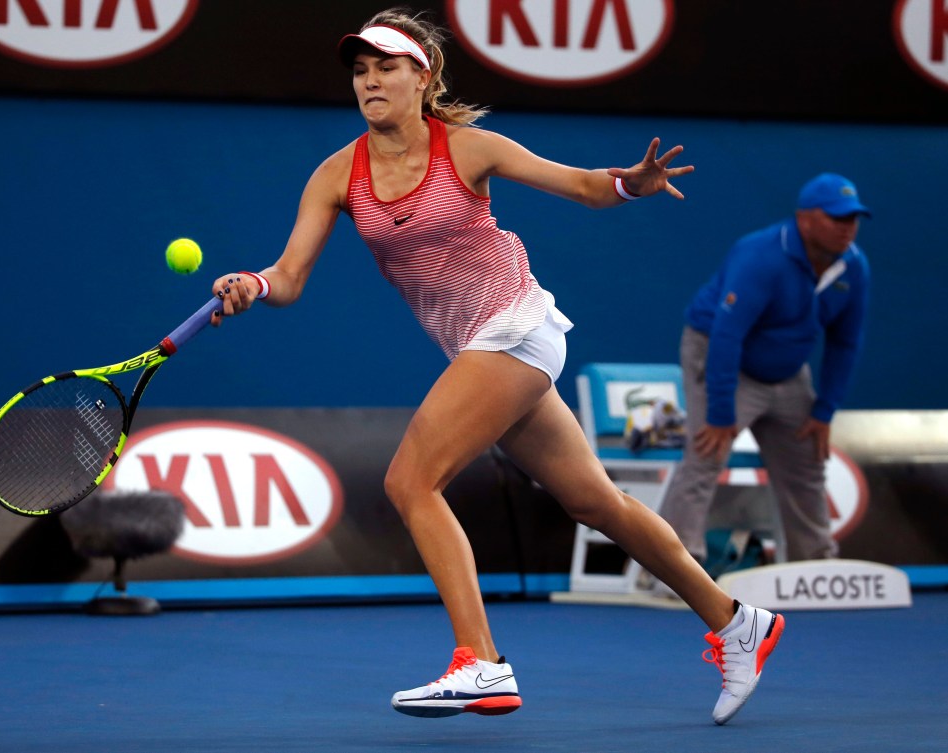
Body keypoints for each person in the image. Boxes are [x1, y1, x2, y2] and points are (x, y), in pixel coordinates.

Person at [208, 8, 783, 725]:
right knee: (596, 503)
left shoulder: (469, 150)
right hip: (482, 350)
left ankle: (477, 659)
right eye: (360, 70)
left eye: (386, 66)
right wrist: (253, 285)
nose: (370, 81)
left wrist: (632, 181)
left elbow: (580, 185)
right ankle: (735, 621)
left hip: (515, 326)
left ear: (423, 77)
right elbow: (289, 277)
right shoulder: (336, 175)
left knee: (410, 480)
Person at [657, 173, 871, 568]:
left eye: (853, 218)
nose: (848, 228)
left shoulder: (854, 268)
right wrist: (721, 413)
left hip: (788, 372)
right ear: (805, 219)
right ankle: (677, 568)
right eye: (837, 217)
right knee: (706, 455)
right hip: (722, 358)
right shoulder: (761, 256)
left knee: (808, 460)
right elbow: (727, 335)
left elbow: (845, 343)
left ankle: (815, 567)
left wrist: (825, 409)